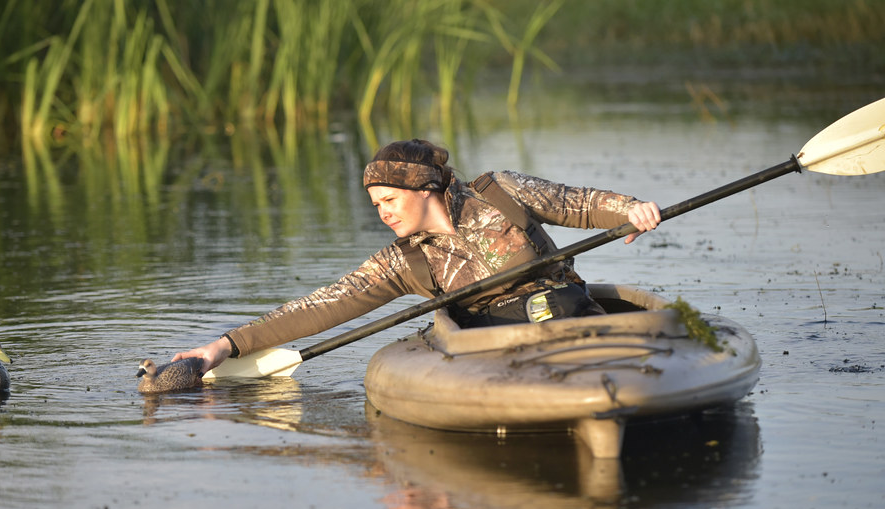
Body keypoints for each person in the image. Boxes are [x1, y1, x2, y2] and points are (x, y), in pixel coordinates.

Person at [173, 139, 661, 373]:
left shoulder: (499, 193)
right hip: (493, 343)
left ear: (424, 189)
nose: (382, 214)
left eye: (388, 201)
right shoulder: (402, 263)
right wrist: (225, 345)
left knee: (561, 306)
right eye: (376, 206)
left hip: (566, 308)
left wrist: (629, 210)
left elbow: (573, 202)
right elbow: (322, 305)